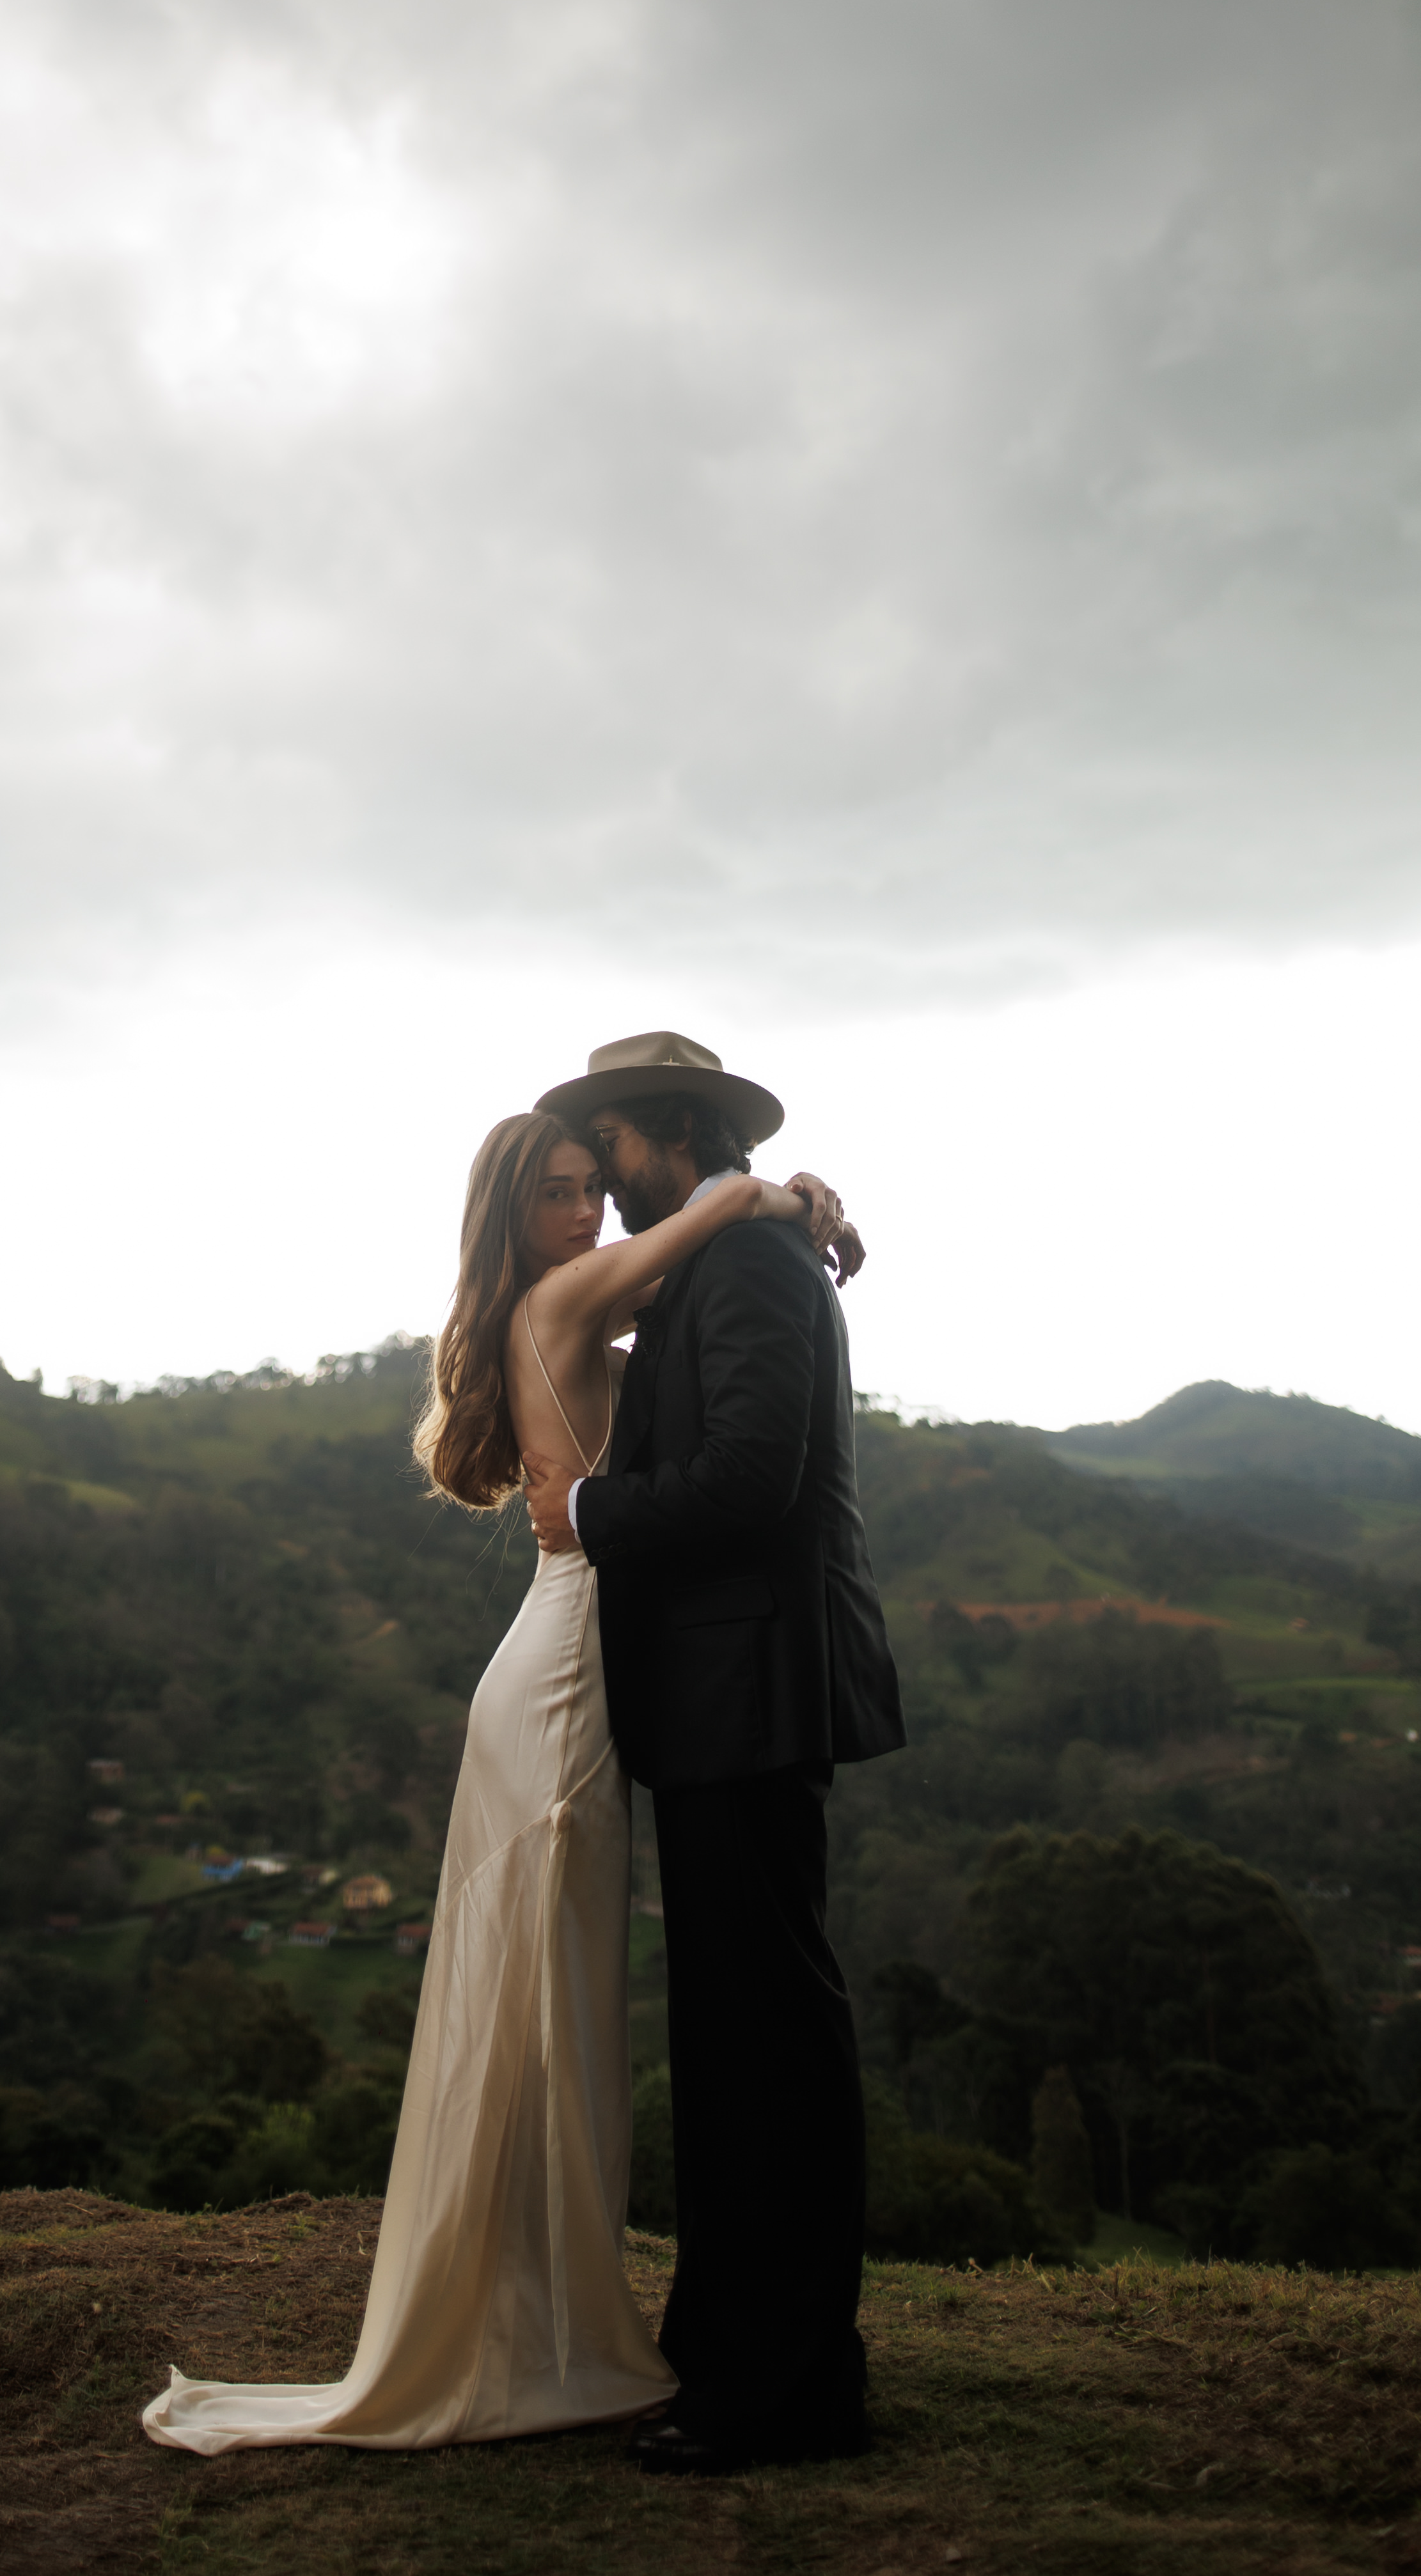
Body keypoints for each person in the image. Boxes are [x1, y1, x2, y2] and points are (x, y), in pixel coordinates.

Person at [141, 1097, 852, 2457]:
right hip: (568, 1664)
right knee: (534, 1997)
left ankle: (543, 2307)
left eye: (592, 1186)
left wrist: (791, 1203)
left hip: (571, 1650)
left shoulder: (565, 1303)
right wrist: (785, 1194)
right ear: (512, 1210)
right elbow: (707, 1214)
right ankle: (515, 2324)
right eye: (560, 1191)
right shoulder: (569, 1298)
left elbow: (697, 1343)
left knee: (548, 1996)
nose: (585, 1212)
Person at [523, 1030, 906, 2475]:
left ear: (663, 1129)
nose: (606, 1178)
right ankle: (736, 2354)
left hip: (754, 1692)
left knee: (770, 2047)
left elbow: (751, 1476)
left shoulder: (744, 1268)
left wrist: (591, 1518)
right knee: (737, 2043)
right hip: (718, 1699)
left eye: (608, 1146)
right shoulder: (725, 1250)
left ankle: (787, 2390)